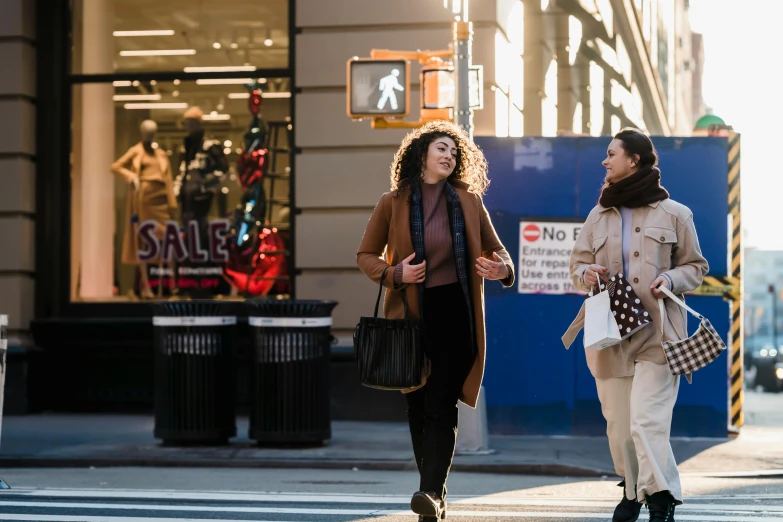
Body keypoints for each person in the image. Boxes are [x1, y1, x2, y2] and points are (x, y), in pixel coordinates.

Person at [357, 120, 515, 521]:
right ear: (421, 154)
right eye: (441, 149)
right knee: (417, 406)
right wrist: (396, 274)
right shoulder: (391, 202)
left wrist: (501, 270)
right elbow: (366, 256)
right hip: (411, 317)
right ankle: (433, 492)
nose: (449, 156)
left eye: (454, 152)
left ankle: (430, 493)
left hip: (455, 315)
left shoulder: (468, 201)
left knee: (441, 405)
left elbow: (501, 253)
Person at [562, 128, 709, 522]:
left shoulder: (676, 214)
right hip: (609, 333)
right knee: (621, 427)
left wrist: (671, 280)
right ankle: (631, 490)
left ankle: (660, 498)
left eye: (612, 154)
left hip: (659, 333)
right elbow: (575, 266)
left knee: (648, 421)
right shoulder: (598, 215)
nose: (604, 161)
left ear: (635, 160)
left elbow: (696, 267)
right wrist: (586, 273)